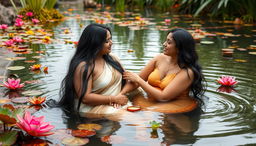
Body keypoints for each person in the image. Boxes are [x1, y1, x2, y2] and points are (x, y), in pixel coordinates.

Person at [121, 28, 206, 113]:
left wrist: (139, 80)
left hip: (175, 105)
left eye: (169, 42)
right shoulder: (159, 58)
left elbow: (163, 97)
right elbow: (135, 81)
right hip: (152, 101)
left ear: (179, 48)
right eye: (165, 41)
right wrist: (120, 94)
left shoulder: (187, 72)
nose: (164, 44)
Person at [58, 23, 129, 117]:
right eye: (107, 41)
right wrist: (113, 99)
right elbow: (85, 98)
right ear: (95, 43)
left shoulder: (113, 59)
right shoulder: (84, 66)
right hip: (91, 108)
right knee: (131, 117)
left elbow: (129, 80)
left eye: (110, 39)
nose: (111, 43)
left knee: (142, 98)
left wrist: (120, 95)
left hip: (115, 101)